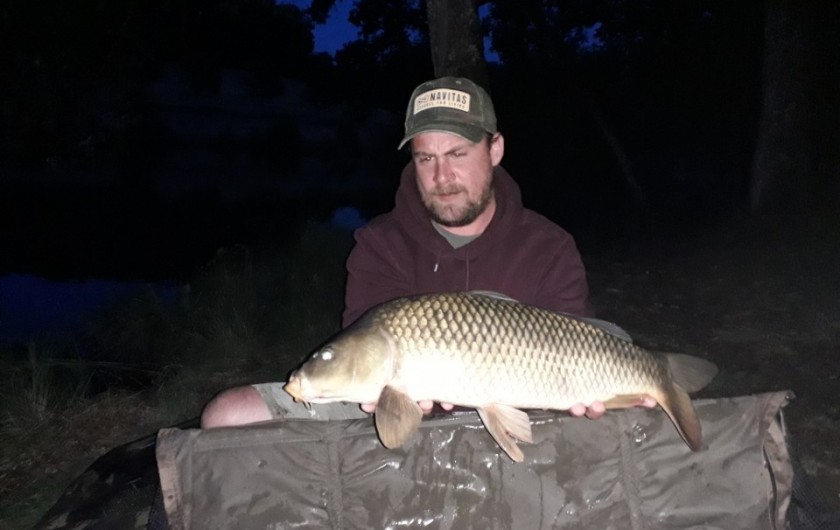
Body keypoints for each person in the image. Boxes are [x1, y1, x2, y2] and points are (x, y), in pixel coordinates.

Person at [200, 76, 653, 428]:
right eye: (425, 158)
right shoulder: (379, 245)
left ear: (494, 149)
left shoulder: (549, 246)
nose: (442, 175)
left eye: (457, 153)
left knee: (626, 415)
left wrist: (605, 397)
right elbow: (372, 371)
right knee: (227, 415)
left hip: (525, 412)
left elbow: (581, 346)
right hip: (398, 408)